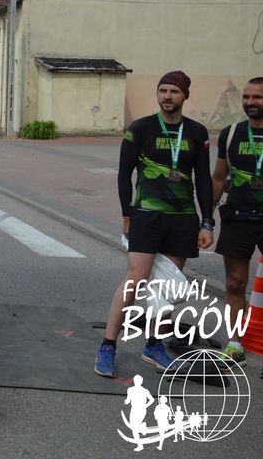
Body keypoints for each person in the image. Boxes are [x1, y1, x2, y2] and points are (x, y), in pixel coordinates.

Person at [95, 71, 213, 378]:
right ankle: (108, 345)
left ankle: (153, 345)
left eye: (174, 91)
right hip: (146, 215)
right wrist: (126, 214)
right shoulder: (141, 128)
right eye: (163, 90)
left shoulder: (197, 132)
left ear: (184, 96)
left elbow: (203, 178)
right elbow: (124, 173)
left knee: (167, 286)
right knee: (135, 279)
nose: (167, 96)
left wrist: (207, 223)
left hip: (183, 219)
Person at [211, 77, 263, 366]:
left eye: (257, 97)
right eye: (246, 96)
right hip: (238, 218)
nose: (250, 102)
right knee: (234, 282)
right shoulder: (232, 133)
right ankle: (235, 345)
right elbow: (219, 177)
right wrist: (206, 219)